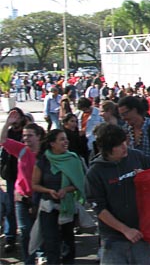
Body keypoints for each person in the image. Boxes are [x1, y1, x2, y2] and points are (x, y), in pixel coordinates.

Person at [85, 123, 150, 265]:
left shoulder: (138, 157)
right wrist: (125, 230)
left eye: (125, 142)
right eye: (119, 145)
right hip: (113, 239)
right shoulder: (95, 173)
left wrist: (147, 178)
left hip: (142, 233)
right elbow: (99, 209)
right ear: (107, 150)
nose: (125, 147)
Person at [31, 129, 85, 264]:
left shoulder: (73, 159)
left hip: (66, 206)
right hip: (48, 207)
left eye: (66, 139)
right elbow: (35, 185)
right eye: (61, 139)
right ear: (52, 144)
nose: (66, 142)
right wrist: (49, 191)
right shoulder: (43, 161)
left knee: (68, 242)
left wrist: (66, 189)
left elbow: (79, 183)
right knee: (51, 242)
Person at [0, 110, 46, 265]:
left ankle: (42, 257)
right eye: (24, 136)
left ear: (38, 137)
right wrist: (7, 124)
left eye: (30, 135)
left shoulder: (46, 154)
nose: (26, 138)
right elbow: (3, 140)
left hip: (40, 198)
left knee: (41, 231)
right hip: (22, 198)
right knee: (26, 232)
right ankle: (29, 261)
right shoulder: (21, 150)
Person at [0, 107, 29, 254]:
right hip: (12, 174)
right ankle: (10, 237)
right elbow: (2, 140)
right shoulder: (9, 132)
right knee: (11, 208)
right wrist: (6, 123)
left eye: (17, 116)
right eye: (12, 116)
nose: (14, 119)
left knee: (28, 208)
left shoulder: (27, 132)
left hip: (26, 175)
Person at [118, 95, 150, 166]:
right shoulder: (125, 130)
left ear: (134, 110)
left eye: (125, 114)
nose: (123, 118)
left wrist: (145, 172)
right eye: (121, 115)